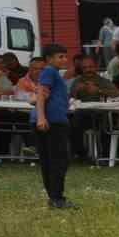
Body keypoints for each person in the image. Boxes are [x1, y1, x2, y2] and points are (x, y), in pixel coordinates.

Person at [33, 44, 74, 209]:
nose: (64, 59)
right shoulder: (49, 71)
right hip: (52, 122)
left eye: (65, 56)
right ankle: (57, 197)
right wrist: (42, 118)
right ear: (49, 59)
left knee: (51, 161)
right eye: (60, 57)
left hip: (53, 120)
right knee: (58, 161)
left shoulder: (54, 74)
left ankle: (54, 196)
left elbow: (41, 96)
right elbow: (41, 95)